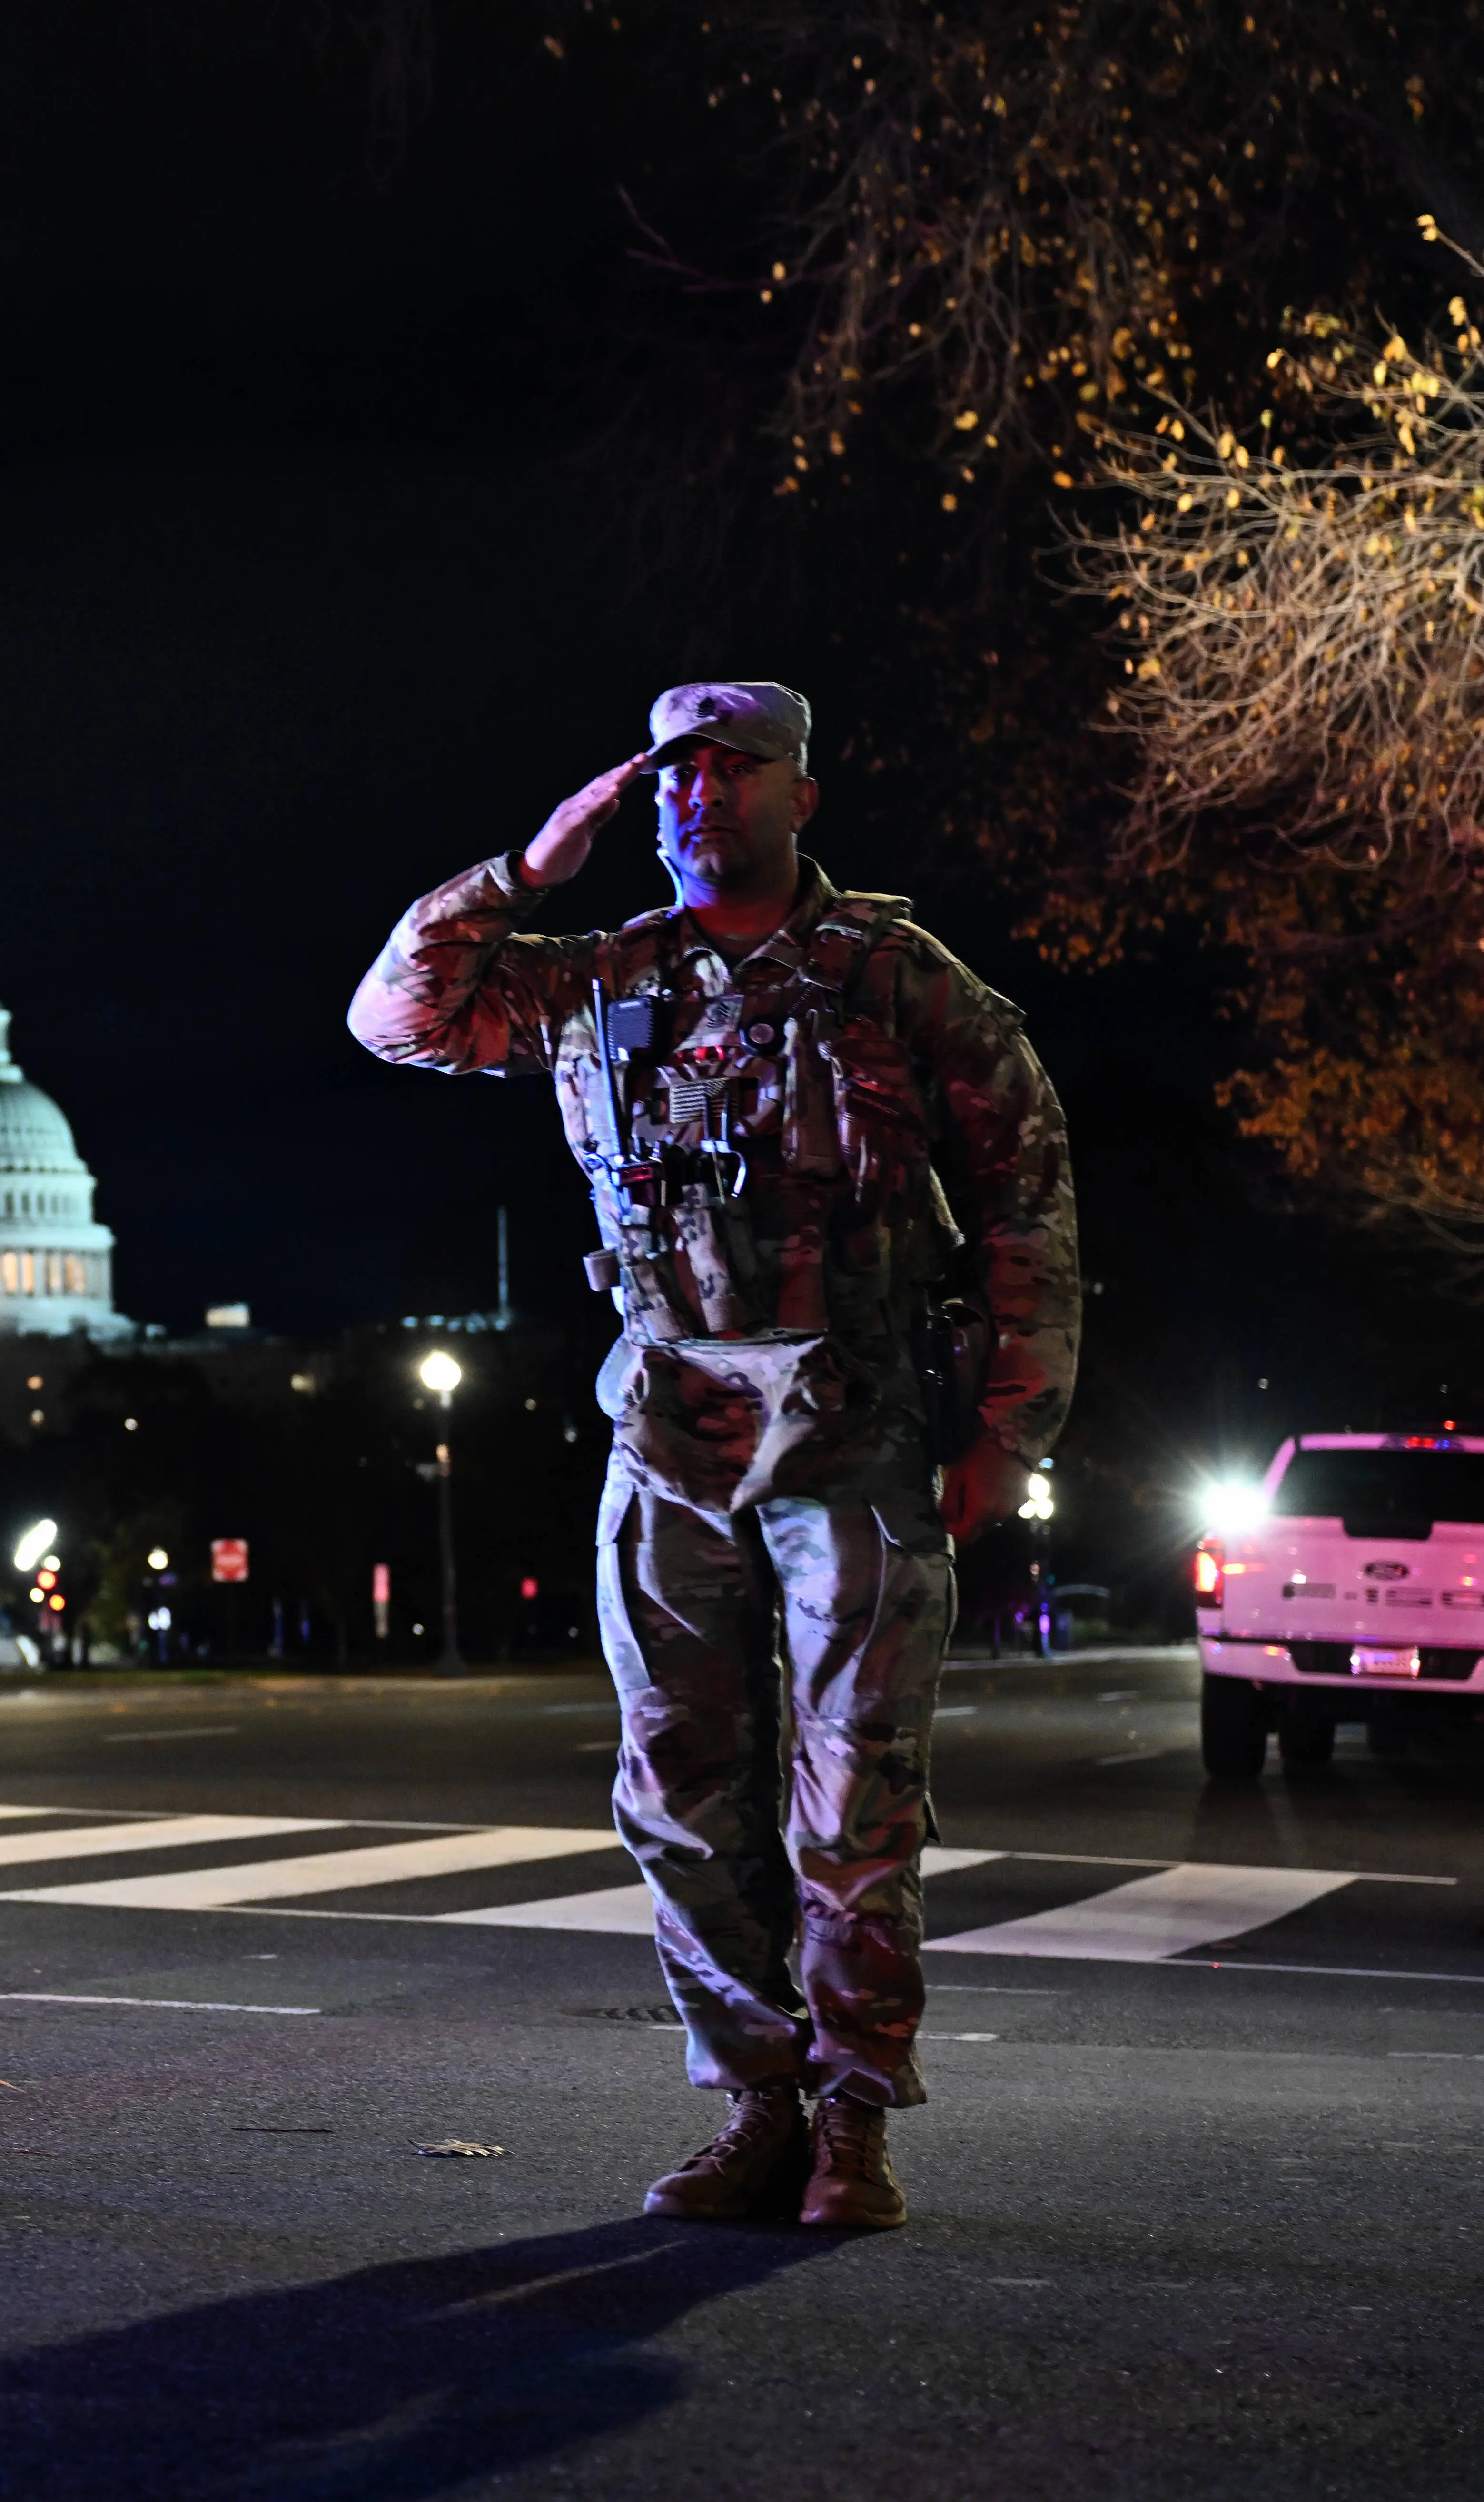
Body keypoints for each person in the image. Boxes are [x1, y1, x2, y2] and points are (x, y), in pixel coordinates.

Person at [347, 681, 1078, 2231]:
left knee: (852, 1797)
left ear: (801, 797)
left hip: (858, 1428)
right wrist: (526, 874)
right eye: (675, 775)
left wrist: (1008, 1433)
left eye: (735, 772)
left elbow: (1028, 1202)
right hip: (670, 1432)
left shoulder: (897, 978)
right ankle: (756, 2100)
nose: (698, 797)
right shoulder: (603, 979)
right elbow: (397, 1017)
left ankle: (855, 2122)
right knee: (679, 1793)